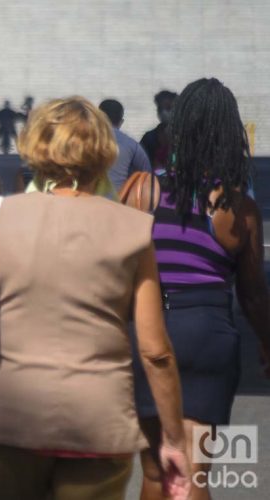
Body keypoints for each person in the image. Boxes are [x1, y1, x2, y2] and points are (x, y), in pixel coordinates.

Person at [0, 96, 190, 500]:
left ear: (36, 147)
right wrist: (174, 438)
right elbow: (155, 351)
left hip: (15, 422)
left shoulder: (0, 217)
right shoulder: (134, 228)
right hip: (99, 422)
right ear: (104, 151)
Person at [131, 78, 270, 500]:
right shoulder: (237, 208)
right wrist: (267, 344)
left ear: (179, 128)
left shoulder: (142, 191)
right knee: (193, 473)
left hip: (150, 326)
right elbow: (252, 294)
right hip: (208, 332)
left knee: (156, 471)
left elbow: (117, 268)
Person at [99, 98, 151, 191]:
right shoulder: (132, 145)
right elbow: (147, 175)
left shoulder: (83, 141)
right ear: (121, 121)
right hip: (118, 201)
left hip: (85, 200)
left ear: (97, 118)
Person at [140, 90, 177, 170]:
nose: (163, 112)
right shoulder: (149, 137)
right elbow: (141, 163)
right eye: (160, 108)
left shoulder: (188, 137)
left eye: (168, 108)